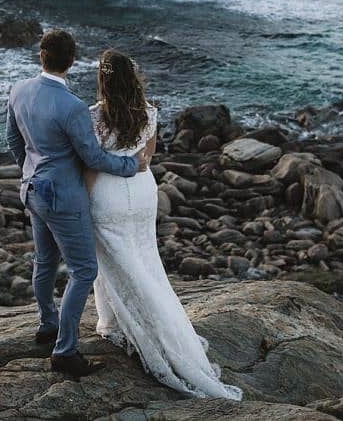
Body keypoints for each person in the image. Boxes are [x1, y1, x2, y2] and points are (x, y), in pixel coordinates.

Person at [86, 48, 242, 399]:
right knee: (143, 259)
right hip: (142, 192)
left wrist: (81, 202)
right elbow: (147, 157)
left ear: (103, 79)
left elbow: (92, 165)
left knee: (112, 259)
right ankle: (123, 320)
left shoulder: (94, 116)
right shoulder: (150, 113)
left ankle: (121, 323)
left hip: (107, 193)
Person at [6, 29, 150, 378]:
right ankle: (65, 351)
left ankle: (47, 325)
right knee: (84, 269)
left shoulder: (18, 90)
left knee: (44, 260)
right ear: (71, 62)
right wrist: (133, 165)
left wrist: (32, 169)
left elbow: (13, 140)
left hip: (32, 190)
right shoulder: (72, 107)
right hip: (63, 198)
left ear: (42, 56)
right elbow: (93, 157)